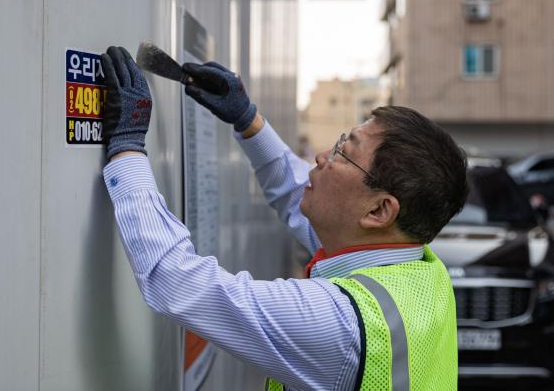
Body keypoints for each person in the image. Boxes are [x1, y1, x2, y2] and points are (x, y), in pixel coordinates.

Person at [100, 46, 468, 390]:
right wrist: (249, 120)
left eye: (344, 152)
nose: (323, 155)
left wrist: (128, 149)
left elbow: (179, 284)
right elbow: (299, 195)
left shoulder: (341, 324)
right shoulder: (421, 273)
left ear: (379, 210)